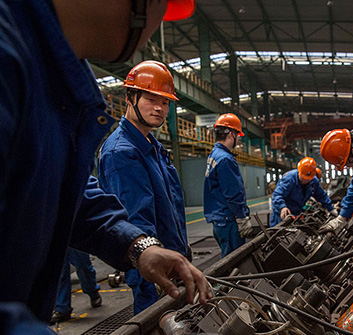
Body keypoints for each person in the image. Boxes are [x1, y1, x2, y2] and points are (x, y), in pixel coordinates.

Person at [0, 0, 210, 333]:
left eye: (164, 102)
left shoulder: (51, 75)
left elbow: (73, 191)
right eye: (160, 6)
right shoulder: (11, 58)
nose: (155, 27)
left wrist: (137, 246)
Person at [97, 61, 191, 314]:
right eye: (151, 99)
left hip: (172, 261)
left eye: (165, 102)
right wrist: (156, 265)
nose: (160, 108)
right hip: (154, 272)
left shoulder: (152, 146)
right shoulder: (122, 152)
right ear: (130, 97)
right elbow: (137, 219)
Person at [204, 114, 252, 257]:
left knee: (229, 260)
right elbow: (233, 193)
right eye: (238, 134)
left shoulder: (215, 154)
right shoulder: (226, 159)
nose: (239, 138)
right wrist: (242, 218)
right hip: (229, 220)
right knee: (235, 263)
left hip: (220, 221)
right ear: (231, 133)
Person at [270, 157, 337, 227]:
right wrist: (282, 207)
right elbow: (277, 194)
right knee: (278, 235)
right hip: (282, 215)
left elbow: (321, 196)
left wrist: (331, 209)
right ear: (299, 171)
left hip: (297, 215)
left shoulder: (314, 182)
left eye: (307, 179)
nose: (305, 181)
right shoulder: (289, 179)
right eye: (303, 178)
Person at [50, 248, 103, 324]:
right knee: (60, 271)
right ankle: (62, 308)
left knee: (83, 267)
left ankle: (92, 291)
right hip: (57, 239)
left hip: (74, 238)